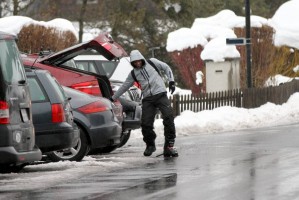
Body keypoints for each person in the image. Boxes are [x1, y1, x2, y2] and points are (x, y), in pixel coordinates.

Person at [110, 49, 178, 157]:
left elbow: (166, 67)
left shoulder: (152, 62)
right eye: (134, 62)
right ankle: (150, 145)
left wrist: (171, 81)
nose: (137, 63)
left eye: (139, 61)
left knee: (169, 118)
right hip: (148, 99)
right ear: (132, 63)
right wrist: (113, 97)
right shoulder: (133, 74)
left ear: (142, 59)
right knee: (145, 124)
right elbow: (124, 86)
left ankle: (169, 146)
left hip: (160, 94)